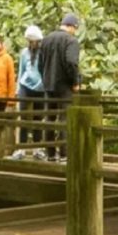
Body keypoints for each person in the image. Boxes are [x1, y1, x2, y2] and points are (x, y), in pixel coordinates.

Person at [39, 13, 81, 162]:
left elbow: (40, 63)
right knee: (65, 118)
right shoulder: (71, 40)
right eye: (75, 28)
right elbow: (71, 62)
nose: (75, 32)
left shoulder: (46, 39)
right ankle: (65, 153)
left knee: (49, 118)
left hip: (49, 84)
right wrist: (75, 81)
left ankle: (50, 153)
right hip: (64, 85)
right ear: (71, 26)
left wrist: (45, 78)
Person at [9, 25, 48, 161]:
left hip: (41, 87)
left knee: (38, 118)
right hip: (26, 86)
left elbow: (46, 71)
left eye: (34, 41)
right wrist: (18, 88)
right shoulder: (25, 52)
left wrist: (43, 85)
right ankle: (21, 149)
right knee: (24, 117)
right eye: (30, 41)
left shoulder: (44, 52)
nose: (32, 44)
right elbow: (21, 69)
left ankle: (38, 149)